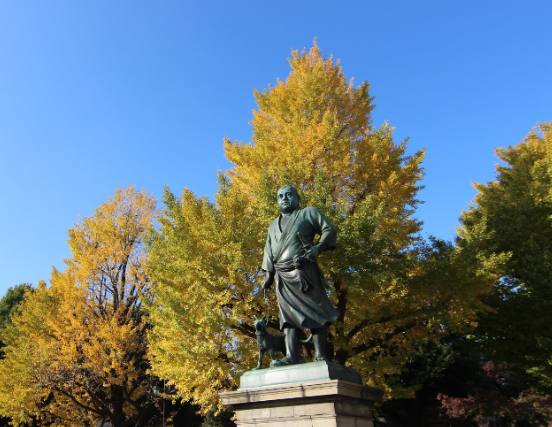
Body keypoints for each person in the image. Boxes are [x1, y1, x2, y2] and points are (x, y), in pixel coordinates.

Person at [261, 185, 338, 366]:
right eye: (280, 196)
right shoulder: (273, 224)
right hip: (283, 276)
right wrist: (269, 275)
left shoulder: (308, 213)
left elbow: (329, 229)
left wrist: (317, 248)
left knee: (316, 310)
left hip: (304, 271)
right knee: (287, 316)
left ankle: (320, 354)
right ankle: (292, 355)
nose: (284, 198)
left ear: (298, 197)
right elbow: (268, 250)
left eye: (289, 195)